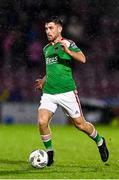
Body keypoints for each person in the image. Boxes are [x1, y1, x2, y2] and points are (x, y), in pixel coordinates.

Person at [35, 16, 109, 166]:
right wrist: (44, 80)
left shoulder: (67, 43)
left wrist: (68, 51)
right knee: (42, 122)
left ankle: (100, 141)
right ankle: (50, 154)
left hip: (67, 91)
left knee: (80, 124)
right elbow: (52, 68)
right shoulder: (46, 48)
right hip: (49, 93)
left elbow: (82, 59)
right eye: (46, 29)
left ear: (59, 29)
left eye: (51, 28)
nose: (48, 31)